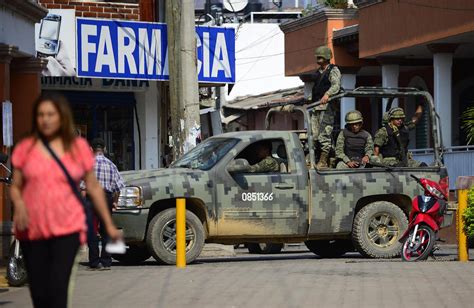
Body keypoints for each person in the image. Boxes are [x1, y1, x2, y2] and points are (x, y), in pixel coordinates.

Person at [10, 92, 120, 308]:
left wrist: (108, 223)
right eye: (41, 114)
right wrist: (20, 204)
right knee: (39, 293)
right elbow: (15, 186)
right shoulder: (26, 147)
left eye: (51, 114)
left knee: (58, 289)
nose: (46, 119)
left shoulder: (77, 147)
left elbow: (93, 187)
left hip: (67, 228)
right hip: (33, 229)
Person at [87, 138, 125, 270]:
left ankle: (94, 262)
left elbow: (82, 187)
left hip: (91, 199)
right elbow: (118, 187)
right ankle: (106, 262)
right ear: (104, 149)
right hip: (106, 198)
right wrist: (114, 202)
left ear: (91, 149)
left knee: (91, 231)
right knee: (106, 231)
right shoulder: (111, 165)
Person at [309, 45, 341, 169]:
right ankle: (316, 158)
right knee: (314, 135)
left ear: (327, 57)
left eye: (321, 56)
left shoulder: (333, 70)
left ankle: (323, 160)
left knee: (324, 134)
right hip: (316, 107)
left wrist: (327, 94)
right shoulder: (318, 72)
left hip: (327, 107)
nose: (318, 58)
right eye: (318, 56)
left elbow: (335, 86)